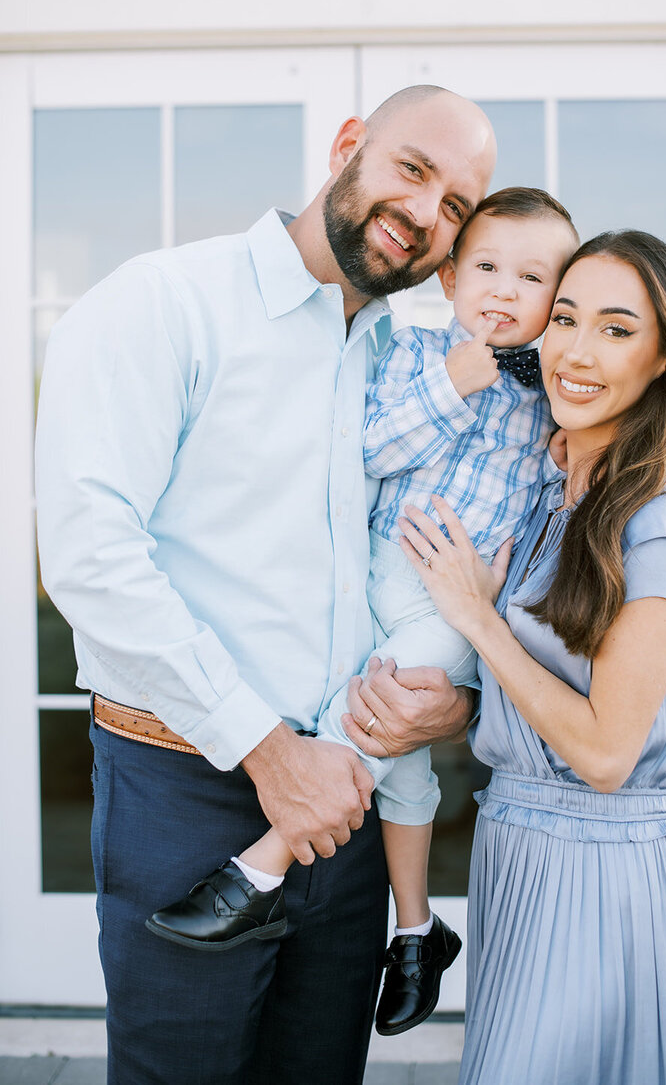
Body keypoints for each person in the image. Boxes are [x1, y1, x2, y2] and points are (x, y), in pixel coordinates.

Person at [34, 84, 496, 1085]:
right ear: (347, 144)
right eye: (413, 169)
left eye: (456, 205)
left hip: (351, 803)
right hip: (185, 793)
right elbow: (88, 555)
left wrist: (451, 702)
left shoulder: (409, 364)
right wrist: (266, 748)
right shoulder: (163, 301)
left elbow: (441, 557)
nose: (425, 212)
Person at [145, 187, 580, 1039]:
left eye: (532, 279)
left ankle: (257, 872)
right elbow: (369, 450)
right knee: (402, 758)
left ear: (556, 302)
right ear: (449, 277)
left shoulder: (552, 399)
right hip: (376, 574)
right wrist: (455, 383)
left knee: (371, 718)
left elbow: (548, 516)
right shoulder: (411, 352)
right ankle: (417, 931)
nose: (504, 289)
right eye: (487, 268)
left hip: (455, 601)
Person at [350, 230, 666, 1084]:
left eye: (615, 329)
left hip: (606, 874)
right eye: (564, 318)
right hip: (513, 857)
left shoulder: (665, 525)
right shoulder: (545, 495)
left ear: (664, 361)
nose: (575, 351)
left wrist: (476, 618)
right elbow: (526, 694)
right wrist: (453, 706)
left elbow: (605, 753)